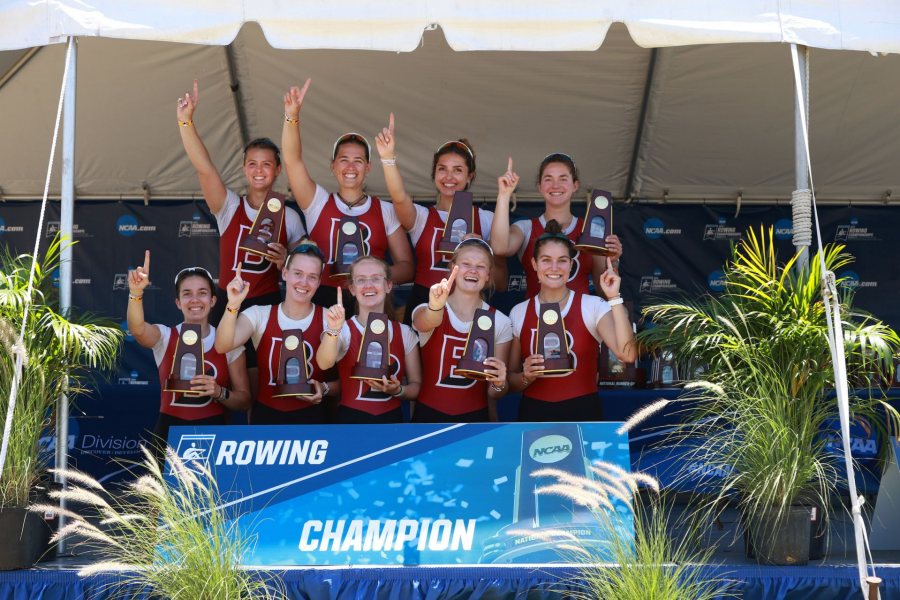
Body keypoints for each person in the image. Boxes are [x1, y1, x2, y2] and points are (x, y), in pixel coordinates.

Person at [176, 80, 307, 326]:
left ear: (278, 169)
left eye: (266, 164)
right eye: (252, 164)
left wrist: (286, 260)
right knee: (223, 363)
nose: (259, 171)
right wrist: (186, 123)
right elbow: (204, 169)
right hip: (227, 300)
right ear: (244, 169)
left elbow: (303, 270)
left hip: (267, 302)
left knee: (261, 366)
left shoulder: (289, 216)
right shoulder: (230, 206)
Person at [281, 80, 414, 309]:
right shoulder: (318, 202)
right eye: (344, 160)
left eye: (358, 161)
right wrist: (291, 116)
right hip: (321, 302)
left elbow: (407, 266)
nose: (350, 168)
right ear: (333, 166)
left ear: (369, 167)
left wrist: (370, 276)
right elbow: (293, 161)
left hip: (369, 303)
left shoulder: (385, 210)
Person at [374, 115, 507, 323]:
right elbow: (399, 197)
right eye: (442, 169)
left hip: (468, 309)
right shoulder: (422, 217)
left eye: (458, 170)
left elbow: (501, 282)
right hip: (423, 304)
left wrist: (480, 248)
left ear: (470, 176)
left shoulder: (487, 219)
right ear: (434, 173)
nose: (449, 177)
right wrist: (388, 159)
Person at [507, 221, 636, 421]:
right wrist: (526, 376)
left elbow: (627, 354)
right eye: (546, 260)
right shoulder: (519, 312)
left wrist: (614, 297)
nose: (554, 267)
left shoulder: (593, 305)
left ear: (571, 265)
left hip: (583, 411)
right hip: (534, 412)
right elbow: (510, 381)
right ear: (534, 264)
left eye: (562, 260)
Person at [126, 251, 250, 458]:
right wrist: (135, 293)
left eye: (202, 293)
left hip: (214, 433)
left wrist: (219, 392)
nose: (195, 300)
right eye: (187, 294)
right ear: (177, 302)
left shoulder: (228, 343)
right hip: (168, 434)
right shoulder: (165, 336)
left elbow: (244, 400)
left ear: (212, 301)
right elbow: (138, 329)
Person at [214, 244, 335, 424]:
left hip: (313, 417)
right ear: (285, 273)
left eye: (312, 277)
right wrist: (232, 305)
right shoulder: (259, 314)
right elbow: (223, 345)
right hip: (267, 417)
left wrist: (324, 388)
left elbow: (344, 379)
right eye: (298, 273)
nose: (304, 282)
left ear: (318, 282)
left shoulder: (330, 318)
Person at [490, 155, 623, 298]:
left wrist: (613, 261)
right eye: (548, 179)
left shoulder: (592, 230)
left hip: (581, 319)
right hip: (535, 318)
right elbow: (499, 247)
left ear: (575, 185)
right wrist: (504, 195)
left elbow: (604, 291)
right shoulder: (526, 227)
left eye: (563, 179)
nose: (555, 185)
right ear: (539, 187)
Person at [411, 238, 512, 423]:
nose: (473, 270)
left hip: (474, 419)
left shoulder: (501, 321)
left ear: (488, 275)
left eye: (481, 266)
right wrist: (435, 306)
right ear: (453, 268)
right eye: (466, 264)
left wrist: (499, 383)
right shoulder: (427, 308)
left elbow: (495, 392)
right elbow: (425, 322)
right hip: (427, 417)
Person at [316, 257, 422, 423]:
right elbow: (324, 363)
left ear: (388, 285)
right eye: (361, 280)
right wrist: (334, 329)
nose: (368, 285)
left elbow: (416, 387)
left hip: (392, 424)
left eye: (375, 278)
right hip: (351, 423)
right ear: (352, 289)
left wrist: (398, 390)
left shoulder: (404, 332)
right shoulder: (343, 329)